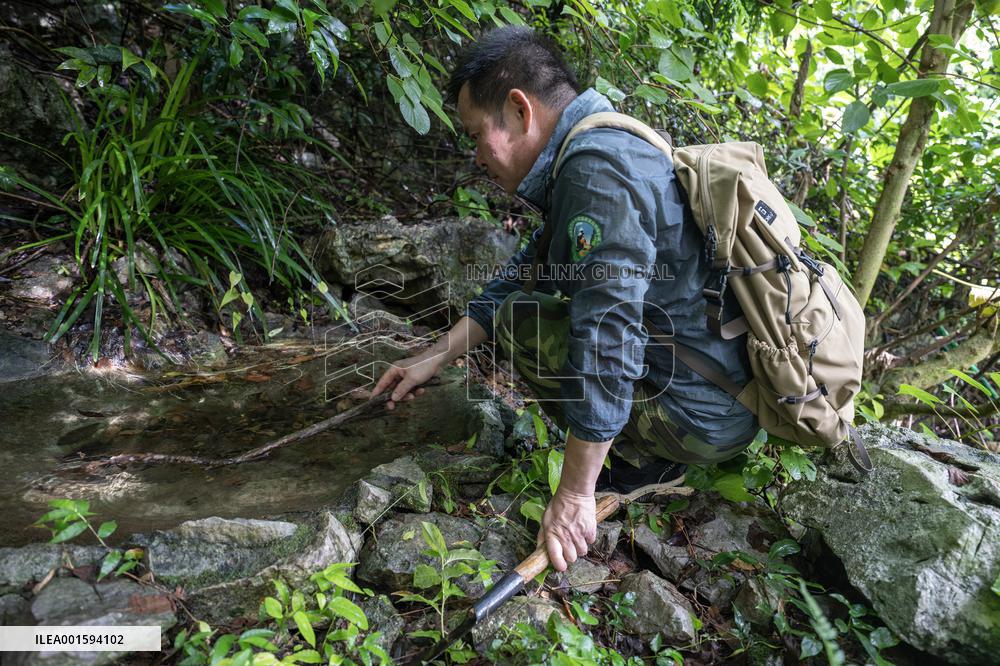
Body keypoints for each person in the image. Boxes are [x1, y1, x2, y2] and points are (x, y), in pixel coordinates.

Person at [371, 26, 758, 573]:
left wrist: (576, 494)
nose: (476, 155)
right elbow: (521, 275)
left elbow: (608, 334)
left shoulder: (596, 171)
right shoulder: (609, 142)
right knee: (518, 305)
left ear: (519, 109)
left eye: (477, 133)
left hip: (697, 417)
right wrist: (430, 358)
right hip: (724, 399)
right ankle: (648, 444)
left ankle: (640, 458)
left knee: (522, 322)